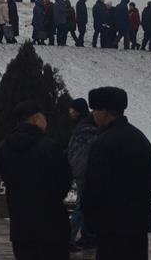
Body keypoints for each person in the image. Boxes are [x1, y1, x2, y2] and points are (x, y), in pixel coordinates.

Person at [81, 87, 151, 260]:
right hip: (138, 224)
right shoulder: (140, 138)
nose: (93, 114)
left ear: (105, 111)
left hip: (112, 227)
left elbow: (94, 186)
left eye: (95, 110)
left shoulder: (103, 143)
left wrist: (89, 213)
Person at [0, 101, 72, 260]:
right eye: (45, 117)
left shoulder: (3, 148)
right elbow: (63, 183)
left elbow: (6, 178)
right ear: (36, 118)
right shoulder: (50, 147)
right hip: (51, 226)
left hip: (20, 226)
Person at [66, 99, 98, 251]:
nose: (70, 113)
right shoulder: (87, 125)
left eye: (72, 110)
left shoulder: (83, 128)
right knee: (85, 205)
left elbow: (81, 154)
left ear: (78, 111)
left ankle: (68, 238)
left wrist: (76, 171)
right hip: (87, 172)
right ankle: (87, 236)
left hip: (84, 173)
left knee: (81, 206)